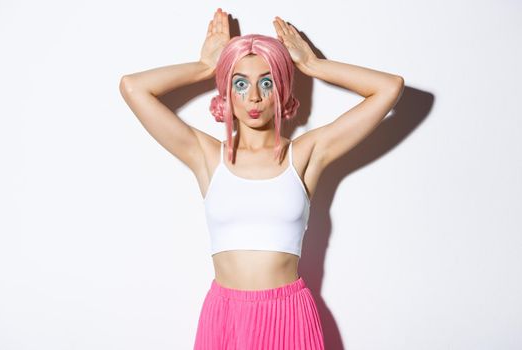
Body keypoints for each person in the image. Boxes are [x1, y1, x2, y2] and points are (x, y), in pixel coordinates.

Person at [119, 7, 404, 349]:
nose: (253, 97)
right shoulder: (207, 156)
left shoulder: (305, 154)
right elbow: (132, 88)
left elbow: (389, 88)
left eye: (266, 82)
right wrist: (205, 66)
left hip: (289, 315)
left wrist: (313, 66)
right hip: (225, 317)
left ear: (282, 89)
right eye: (240, 83)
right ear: (226, 91)